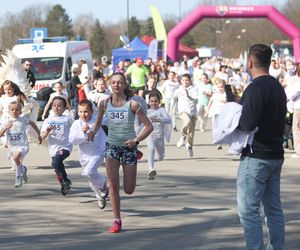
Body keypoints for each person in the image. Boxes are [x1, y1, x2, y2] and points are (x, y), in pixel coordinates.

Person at [237, 44, 287, 250]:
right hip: (275, 153)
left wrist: (234, 120)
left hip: (256, 155)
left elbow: (247, 124)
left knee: (248, 211)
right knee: (273, 210)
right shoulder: (277, 87)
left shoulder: (255, 88)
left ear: (249, 62)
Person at [90, 72, 153, 233]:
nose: (116, 85)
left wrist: (136, 141)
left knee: (129, 190)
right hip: (111, 147)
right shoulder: (104, 103)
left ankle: (135, 156)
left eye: (120, 82)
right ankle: (117, 220)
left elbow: (148, 126)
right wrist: (92, 132)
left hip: (129, 147)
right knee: (113, 186)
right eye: (114, 82)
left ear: (125, 85)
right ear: (110, 84)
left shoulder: (132, 104)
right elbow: (97, 124)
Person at [69, 100, 109, 209]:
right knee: (90, 178)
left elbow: (110, 119)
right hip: (84, 155)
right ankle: (99, 196)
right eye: (80, 112)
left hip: (98, 151)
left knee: (89, 172)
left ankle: (103, 185)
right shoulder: (76, 124)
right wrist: (82, 132)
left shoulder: (98, 119)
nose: (83, 114)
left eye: (86, 111)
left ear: (92, 111)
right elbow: (72, 140)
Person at [0, 101, 41, 187]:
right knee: (16, 161)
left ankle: (18, 178)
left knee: (16, 158)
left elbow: (32, 123)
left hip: (22, 146)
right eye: (12, 109)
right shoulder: (6, 122)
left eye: (17, 109)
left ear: (20, 112)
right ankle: (23, 169)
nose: (14, 111)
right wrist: (6, 128)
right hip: (12, 147)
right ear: (8, 111)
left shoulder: (23, 120)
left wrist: (39, 134)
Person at [40, 96, 73, 196]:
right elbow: (42, 136)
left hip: (65, 147)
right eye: (54, 105)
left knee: (56, 163)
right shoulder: (47, 121)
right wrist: (47, 131)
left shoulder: (67, 119)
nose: (56, 107)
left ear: (64, 108)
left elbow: (76, 130)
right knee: (57, 167)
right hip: (53, 148)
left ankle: (65, 181)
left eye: (59, 106)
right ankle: (64, 183)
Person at [146, 92, 171, 180]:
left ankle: (161, 155)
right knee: (151, 149)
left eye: (155, 101)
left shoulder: (161, 110)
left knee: (160, 154)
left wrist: (159, 119)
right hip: (150, 135)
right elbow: (140, 123)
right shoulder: (147, 111)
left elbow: (169, 120)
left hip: (160, 136)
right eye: (151, 101)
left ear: (159, 102)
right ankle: (151, 169)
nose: (153, 103)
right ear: (149, 102)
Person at [173, 73, 198, 157]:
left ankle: (189, 147)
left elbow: (196, 101)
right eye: (183, 80)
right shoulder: (179, 89)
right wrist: (173, 108)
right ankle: (183, 137)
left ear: (190, 81)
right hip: (183, 111)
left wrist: (188, 95)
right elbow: (174, 98)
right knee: (186, 122)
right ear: (181, 81)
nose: (185, 82)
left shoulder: (193, 89)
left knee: (191, 132)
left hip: (193, 112)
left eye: (187, 80)